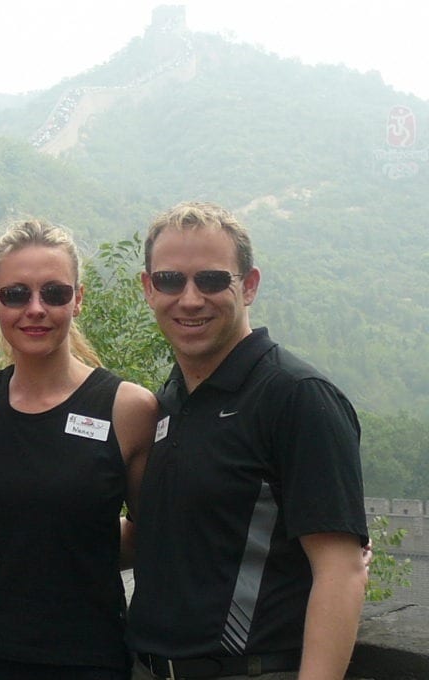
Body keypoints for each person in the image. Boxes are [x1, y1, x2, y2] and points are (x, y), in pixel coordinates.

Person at [128, 201, 368, 680]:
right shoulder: (170, 401)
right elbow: (154, 537)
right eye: (171, 280)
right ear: (149, 289)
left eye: (213, 280)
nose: (190, 299)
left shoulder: (296, 398)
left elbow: (340, 571)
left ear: (249, 285)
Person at [0, 219, 158, 680]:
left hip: (85, 656)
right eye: (16, 294)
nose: (35, 308)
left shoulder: (128, 408)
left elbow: (148, 533)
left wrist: (58, 546)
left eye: (54, 293)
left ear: (78, 299)